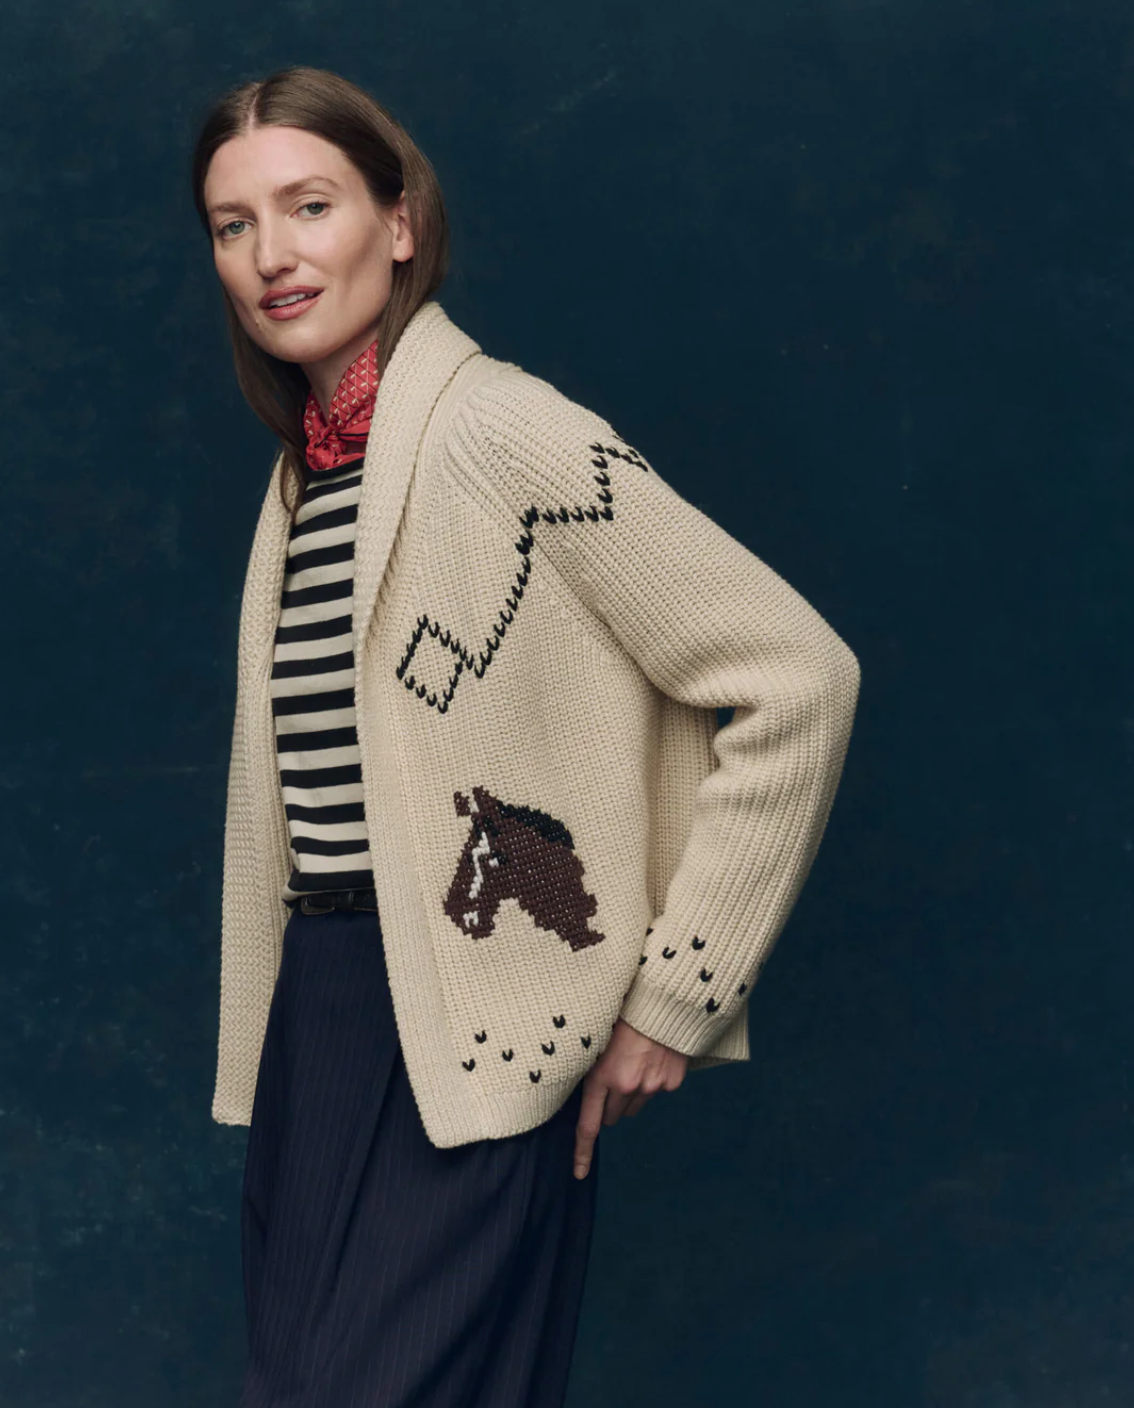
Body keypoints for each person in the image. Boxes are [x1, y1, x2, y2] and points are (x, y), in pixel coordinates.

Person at [193, 64, 861, 1408]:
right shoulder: (311, 476)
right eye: (231, 224)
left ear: (397, 220)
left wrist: (679, 987)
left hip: (472, 1004)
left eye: (309, 205)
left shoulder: (506, 434)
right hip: (319, 1014)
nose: (272, 255)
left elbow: (797, 673)